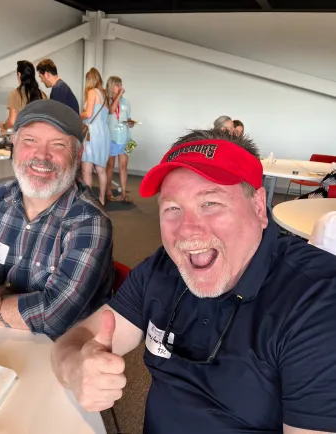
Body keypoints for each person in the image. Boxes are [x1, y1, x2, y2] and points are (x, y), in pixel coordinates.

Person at [52, 129, 336, 433]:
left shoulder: (316, 300)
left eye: (210, 203)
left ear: (257, 206)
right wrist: (76, 369)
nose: (187, 231)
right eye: (172, 208)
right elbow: (74, 340)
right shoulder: (161, 270)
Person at [0, 100, 114, 339]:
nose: (42, 156)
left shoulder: (89, 222)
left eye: (58, 145)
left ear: (78, 154)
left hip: (63, 351)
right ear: (14, 143)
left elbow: (54, 315)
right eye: (30, 141)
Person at [80, 68, 110, 206]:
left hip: (93, 134)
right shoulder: (104, 94)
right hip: (104, 134)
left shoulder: (92, 92)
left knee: (87, 168)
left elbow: (88, 114)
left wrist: (76, 113)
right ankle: (102, 199)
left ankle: (88, 201)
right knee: (101, 169)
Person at [105, 76, 135, 204]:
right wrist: (118, 96)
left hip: (126, 138)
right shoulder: (106, 101)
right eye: (118, 85)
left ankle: (123, 193)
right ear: (112, 86)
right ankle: (108, 191)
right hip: (111, 138)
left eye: (121, 84)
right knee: (110, 166)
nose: (121, 87)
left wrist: (130, 122)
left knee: (123, 166)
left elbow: (128, 118)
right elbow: (111, 110)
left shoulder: (126, 102)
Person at [0, 60, 46, 131]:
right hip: (41, 137)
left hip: (25, 138)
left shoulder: (15, 93)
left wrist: (3, 127)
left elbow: (12, 122)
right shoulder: (42, 94)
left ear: (19, 74)